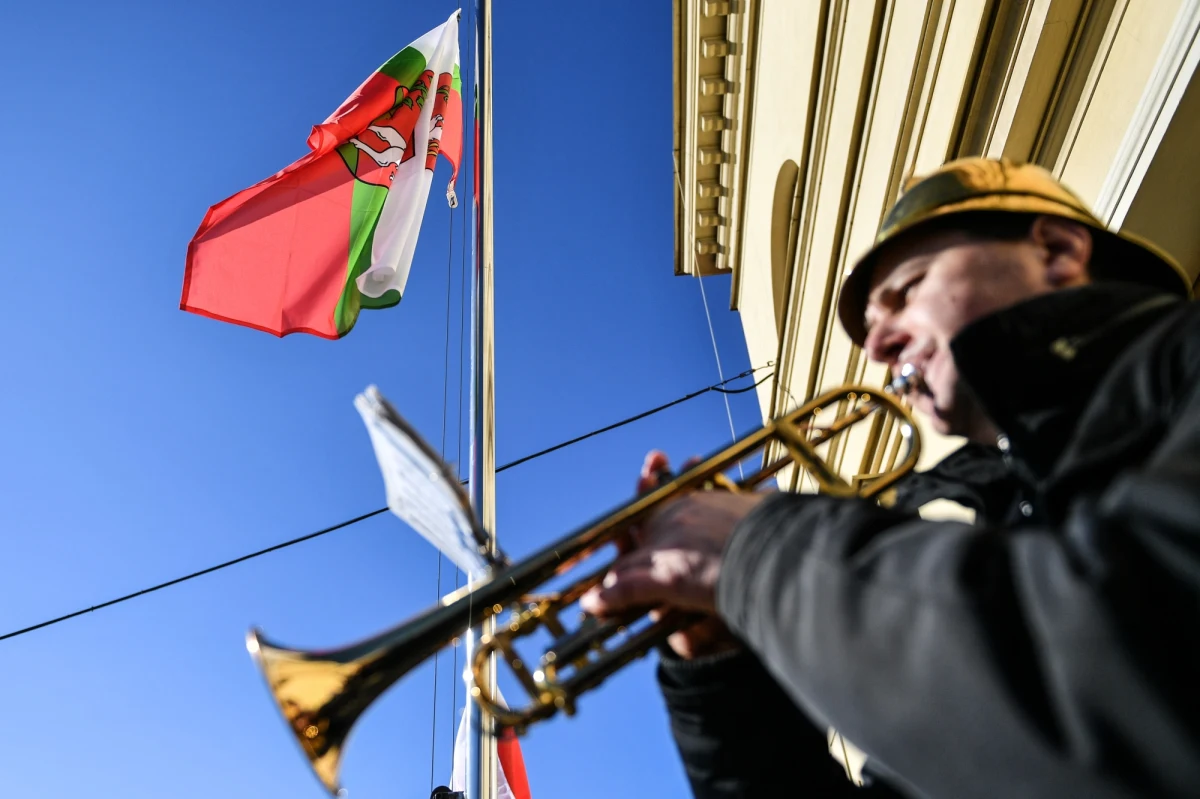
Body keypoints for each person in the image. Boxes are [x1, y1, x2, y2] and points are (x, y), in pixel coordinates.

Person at [580, 156, 1200, 799]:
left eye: (906, 290)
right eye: (870, 326)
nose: (875, 347)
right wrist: (720, 667)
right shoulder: (1006, 511)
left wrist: (761, 553)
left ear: (1057, 249)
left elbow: (1135, 672)